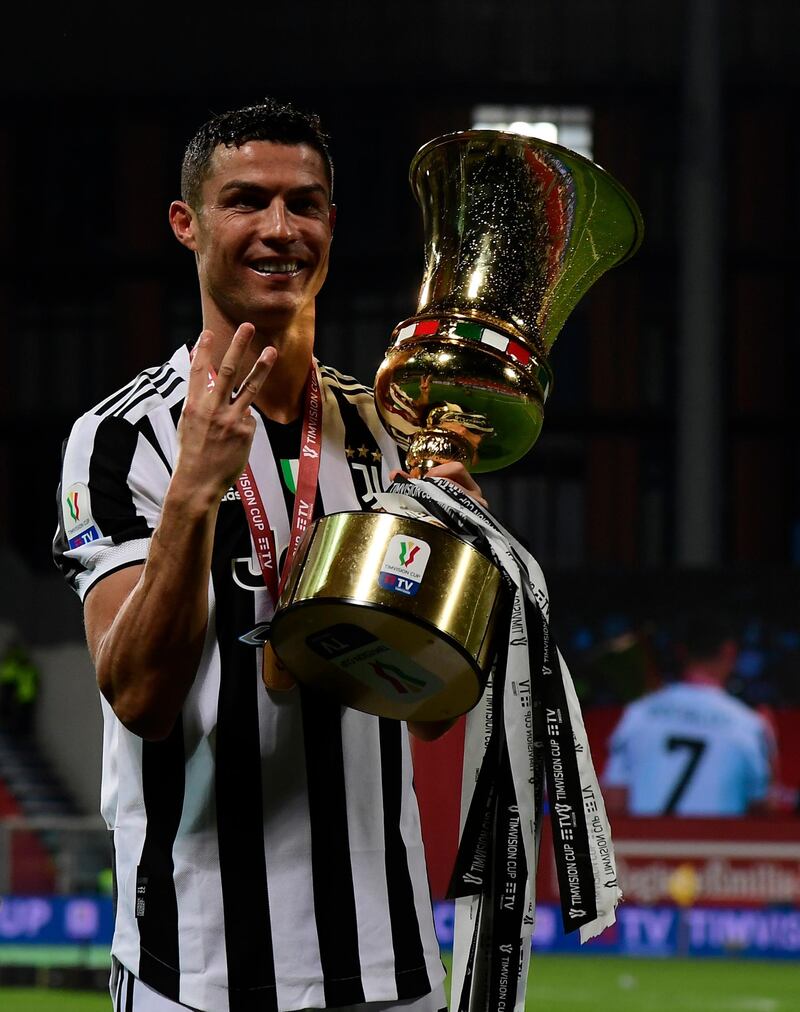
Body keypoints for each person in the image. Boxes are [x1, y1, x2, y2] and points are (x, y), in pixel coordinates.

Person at [53, 97, 482, 1012]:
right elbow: (137, 695)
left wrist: (454, 582)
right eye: (246, 199)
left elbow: (430, 714)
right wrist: (194, 496)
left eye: (306, 204)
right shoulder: (122, 440)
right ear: (187, 223)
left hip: (387, 962)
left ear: (331, 225)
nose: (280, 228)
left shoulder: (391, 432)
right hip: (197, 962)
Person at [601, 610, 776, 816]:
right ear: (730, 652)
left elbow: (613, 801)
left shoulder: (638, 714)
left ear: (681, 652)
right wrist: (772, 753)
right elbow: (762, 812)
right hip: (716, 846)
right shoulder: (748, 724)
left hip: (647, 846)